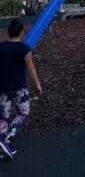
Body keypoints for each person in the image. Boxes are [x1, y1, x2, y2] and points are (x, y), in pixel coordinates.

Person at [0, 19, 42, 160]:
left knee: (3, 117)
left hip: (2, 87)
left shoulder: (1, 47)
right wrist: (37, 84)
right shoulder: (24, 48)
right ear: (21, 32)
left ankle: (2, 145)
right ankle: (6, 140)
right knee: (23, 114)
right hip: (19, 87)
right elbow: (30, 68)